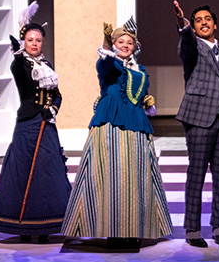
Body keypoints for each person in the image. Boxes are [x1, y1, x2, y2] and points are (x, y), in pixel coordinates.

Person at [60, 17, 172, 249]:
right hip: (110, 123)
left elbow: (141, 95)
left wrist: (148, 102)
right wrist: (106, 43)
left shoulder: (140, 70)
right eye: (120, 41)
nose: (124, 45)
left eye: (129, 42)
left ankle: (134, 231)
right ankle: (112, 231)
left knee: (135, 178)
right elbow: (104, 65)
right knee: (110, 178)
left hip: (137, 125)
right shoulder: (110, 64)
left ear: (135, 47)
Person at [0, 4, 72, 242]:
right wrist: (16, 52)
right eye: (30, 40)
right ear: (24, 41)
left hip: (47, 126)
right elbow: (18, 70)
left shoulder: (47, 67)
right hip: (27, 125)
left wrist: (52, 109)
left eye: (38, 41)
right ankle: (22, 228)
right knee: (23, 173)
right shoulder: (21, 64)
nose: (34, 44)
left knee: (46, 174)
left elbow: (58, 95)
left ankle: (44, 227)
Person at [173, 0, 219, 248]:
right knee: (197, 176)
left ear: (215, 24)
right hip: (199, 119)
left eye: (207, 19)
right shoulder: (191, 47)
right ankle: (192, 229)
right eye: (198, 20)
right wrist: (183, 25)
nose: (203, 22)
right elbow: (187, 42)